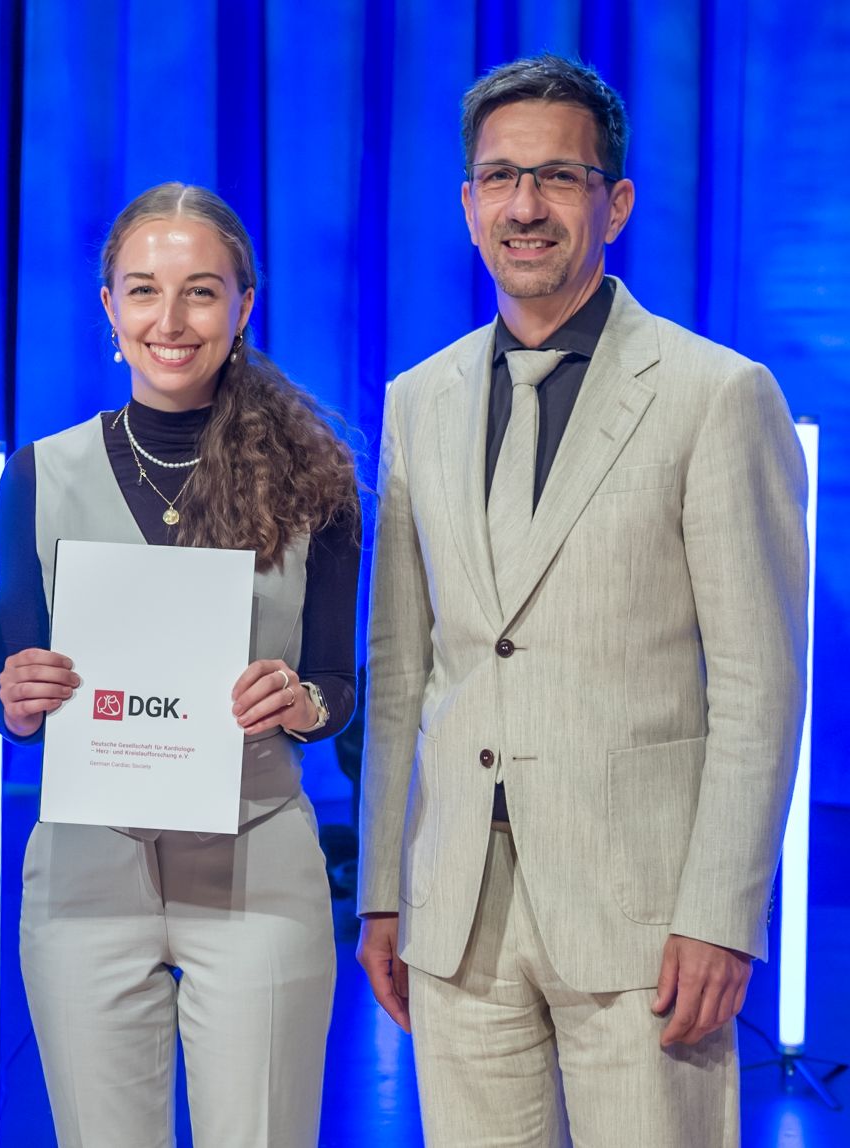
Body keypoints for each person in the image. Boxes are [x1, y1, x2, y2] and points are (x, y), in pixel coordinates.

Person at [356, 54, 808, 1147]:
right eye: (498, 178)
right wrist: (381, 883)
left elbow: (758, 685)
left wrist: (718, 912)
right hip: (455, 905)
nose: (524, 206)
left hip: (645, 915)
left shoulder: (716, 394)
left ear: (614, 202)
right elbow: (400, 667)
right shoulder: (416, 399)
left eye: (556, 178)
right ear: (466, 206)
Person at [0, 182, 360, 1147]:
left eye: (201, 291)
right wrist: (17, 700)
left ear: (244, 305)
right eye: (142, 289)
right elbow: (13, 689)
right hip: (86, 864)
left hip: (258, 853)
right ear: (108, 307)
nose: (171, 318)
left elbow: (337, 686)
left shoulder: (317, 477)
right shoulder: (38, 475)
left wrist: (301, 701)